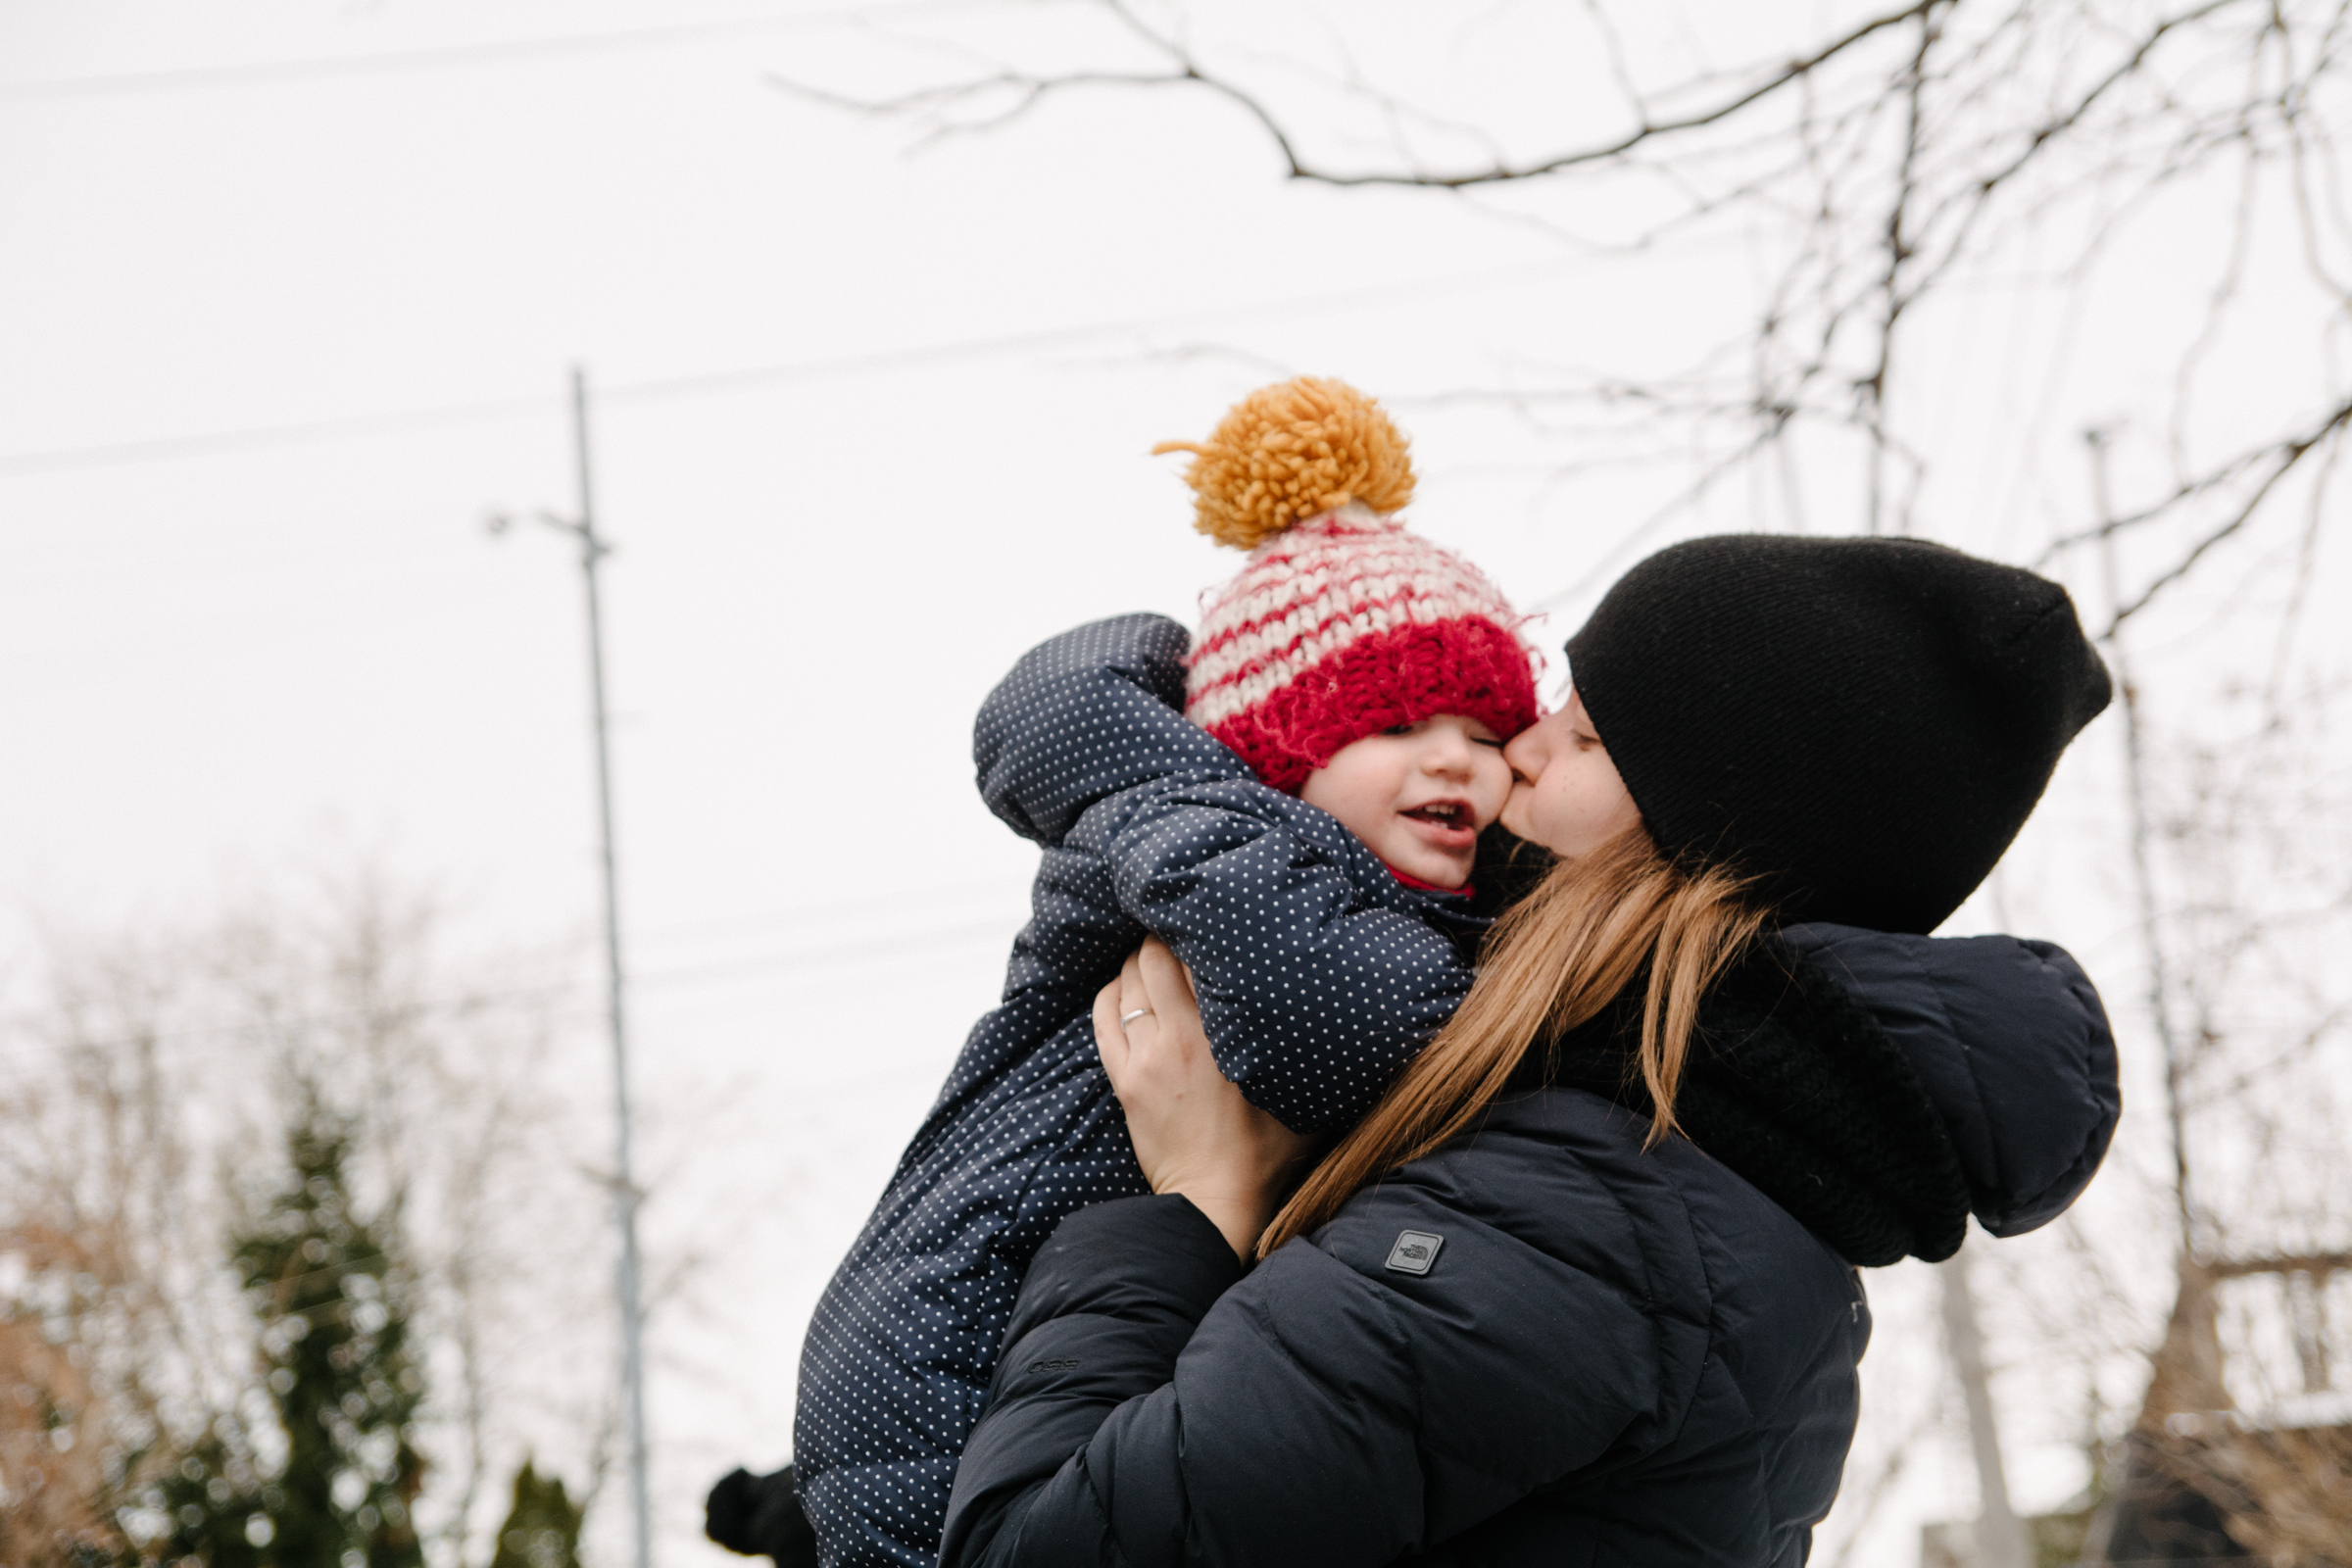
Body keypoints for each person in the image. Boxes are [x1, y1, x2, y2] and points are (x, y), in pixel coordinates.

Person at [939, 533, 2125, 1567]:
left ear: (1699, 843)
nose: (1518, 756)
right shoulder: (1637, 1159)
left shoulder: (1594, 1223)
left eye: (1585, 738)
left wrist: (1190, 1202)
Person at [775, 379, 1544, 1567]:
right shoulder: (1224, 862)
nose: (1457, 756)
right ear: (1271, 760)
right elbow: (1352, 1027)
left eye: (1490, 733)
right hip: (958, 1384)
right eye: (1392, 722)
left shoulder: (1278, 870)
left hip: (1025, 1368)